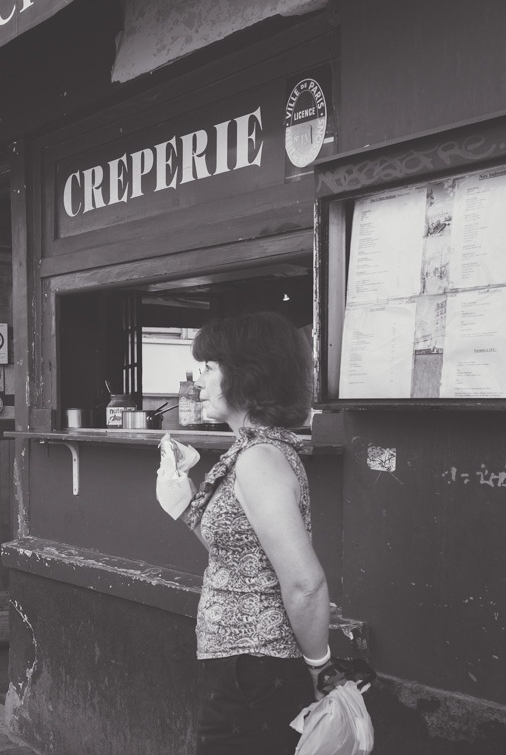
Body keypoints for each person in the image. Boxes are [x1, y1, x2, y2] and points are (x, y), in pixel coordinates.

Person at [179, 313, 334, 754]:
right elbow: (239, 557)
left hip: (257, 666)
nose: (201, 381)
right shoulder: (250, 449)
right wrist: (185, 504)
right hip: (240, 662)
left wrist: (321, 669)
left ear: (246, 376)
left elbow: (305, 583)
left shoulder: (260, 458)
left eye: (209, 368)